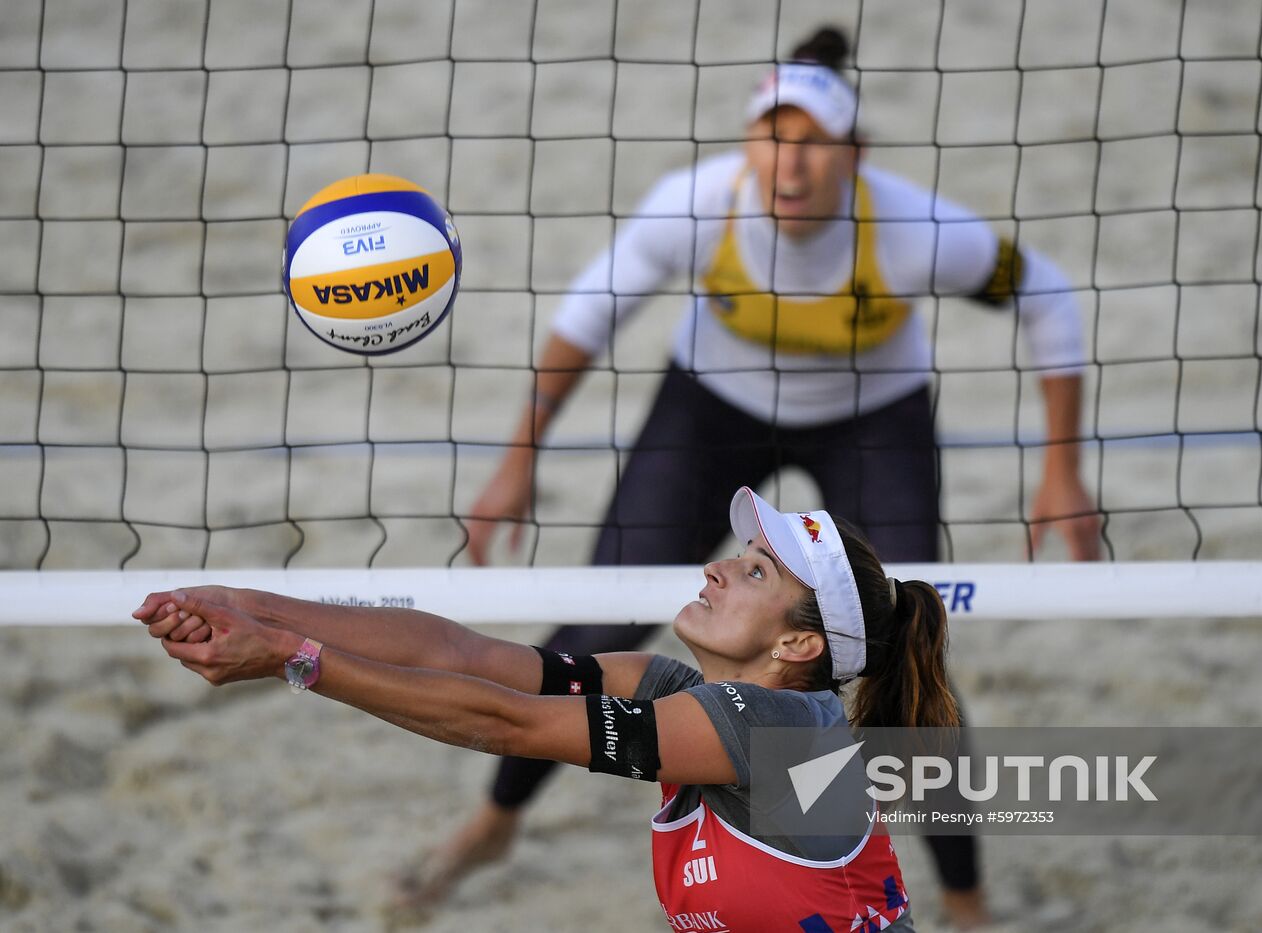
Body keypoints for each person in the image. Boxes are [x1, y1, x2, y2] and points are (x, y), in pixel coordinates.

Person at [424, 25, 1101, 927]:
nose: (790, 164)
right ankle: (494, 819)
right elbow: (585, 319)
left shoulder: (913, 228)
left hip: (871, 416)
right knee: (596, 619)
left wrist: (1062, 470)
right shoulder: (696, 205)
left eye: (813, 142)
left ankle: (968, 902)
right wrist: (518, 461)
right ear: (749, 146)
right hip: (714, 409)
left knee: (901, 655)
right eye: (772, 137)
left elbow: (1046, 296)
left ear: (853, 155)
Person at [134, 487, 960, 932]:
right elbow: (467, 657)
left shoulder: (775, 728)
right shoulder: (679, 689)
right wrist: (252, 604)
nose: (716, 568)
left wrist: (292, 660)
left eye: (755, 574)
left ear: (798, 647)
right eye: (740, 555)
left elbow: (506, 724)